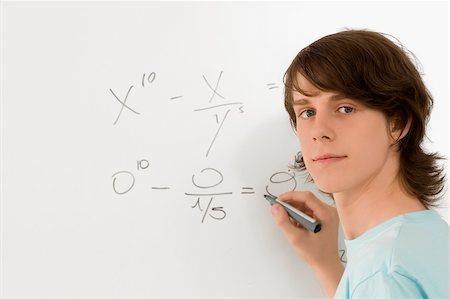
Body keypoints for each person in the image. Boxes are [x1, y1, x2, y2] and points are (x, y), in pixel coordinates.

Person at [271, 29, 449, 298]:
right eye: (307, 112)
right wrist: (326, 265)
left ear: (397, 123)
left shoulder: (383, 273)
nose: (319, 130)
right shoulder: (425, 237)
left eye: (345, 108)